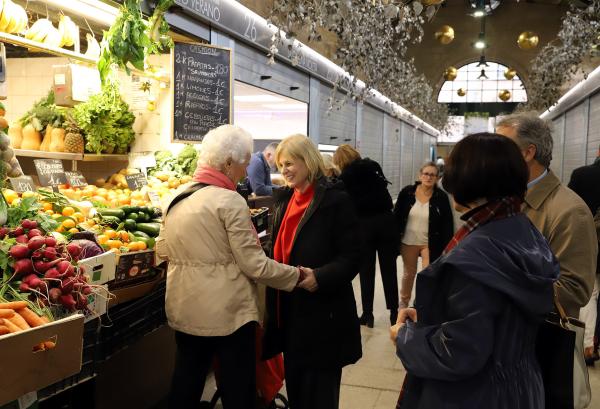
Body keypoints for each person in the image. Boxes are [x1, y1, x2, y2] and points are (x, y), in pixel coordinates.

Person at [391, 132, 559, 409]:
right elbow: (494, 315)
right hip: (519, 387)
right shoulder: (521, 229)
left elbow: (459, 352)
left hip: (472, 395)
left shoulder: (476, 255)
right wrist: (437, 313)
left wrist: (404, 337)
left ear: (473, 180)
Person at [157, 125, 315, 409]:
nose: (245, 172)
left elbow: (162, 250)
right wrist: (297, 276)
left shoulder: (176, 197)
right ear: (228, 163)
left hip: (184, 309)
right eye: (243, 164)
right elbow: (254, 265)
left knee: (185, 384)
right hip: (228, 316)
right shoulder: (229, 201)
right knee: (237, 390)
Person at [263, 134, 362, 409]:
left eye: (290, 163)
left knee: (319, 394)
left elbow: (354, 256)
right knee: (297, 389)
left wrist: (320, 276)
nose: (284, 170)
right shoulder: (285, 200)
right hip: (291, 314)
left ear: (308, 161)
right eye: (281, 165)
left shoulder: (335, 201)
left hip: (323, 316)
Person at [496, 113, 597, 318]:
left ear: (528, 153)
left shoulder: (570, 211)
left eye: (502, 147)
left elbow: (574, 290)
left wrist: (496, 284)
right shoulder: (504, 198)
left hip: (537, 340)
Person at [333, 144, 399, 327]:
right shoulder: (373, 166)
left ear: (340, 160)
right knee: (389, 269)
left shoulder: (345, 177)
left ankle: (368, 315)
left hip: (364, 226)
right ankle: (394, 313)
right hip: (386, 222)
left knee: (366, 270)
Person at [393, 162, 453, 309]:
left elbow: (447, 222)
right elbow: (396, 216)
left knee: (427, 274)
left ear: (437, 178)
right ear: (420, 175)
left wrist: (448, 246)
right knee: (409, 273)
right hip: (409, 241)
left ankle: (421, 303)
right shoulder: (407, 193)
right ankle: (403, 303)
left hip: (430, 243)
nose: (428, 177)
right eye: (426, 174)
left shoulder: (441, 197)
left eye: (432, 175)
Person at [568, 145, 600, 365]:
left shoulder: (582, 175)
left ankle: (588, 345)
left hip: (591, 243)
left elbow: (569, 207)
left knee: (590, 294)